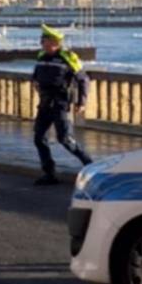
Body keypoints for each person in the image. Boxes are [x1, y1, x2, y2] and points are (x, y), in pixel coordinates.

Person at [31, 24, 93, 185]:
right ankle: (49, 173)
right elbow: (36, 76)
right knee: (39, 138)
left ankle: (92, 167)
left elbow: (83, 80)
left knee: (65, 139)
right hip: (44, 103)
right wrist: (35, 83)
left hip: (60, 103)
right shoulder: (41, 57)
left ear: (55, 42)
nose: (42, 44)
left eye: (45, 41)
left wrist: (82, 102)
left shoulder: (68, 57)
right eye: (42, 41)